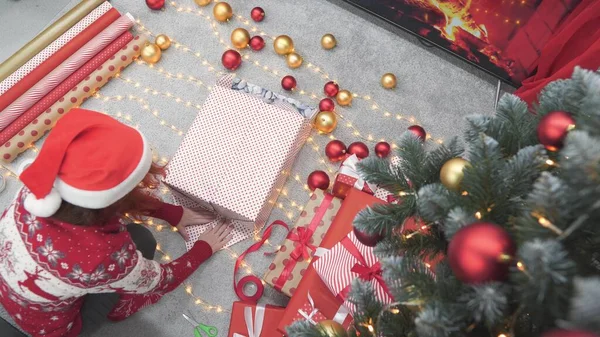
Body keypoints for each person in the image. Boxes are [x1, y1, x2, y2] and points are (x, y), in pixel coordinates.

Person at [0, 109, 232, 337]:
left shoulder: (37, 185)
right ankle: (120, 309)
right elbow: (160, 281)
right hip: (60, 329)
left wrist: (173, 213)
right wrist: (203, 248)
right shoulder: (105, 257)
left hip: (12, 290)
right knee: (143, 239)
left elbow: (118, 200)